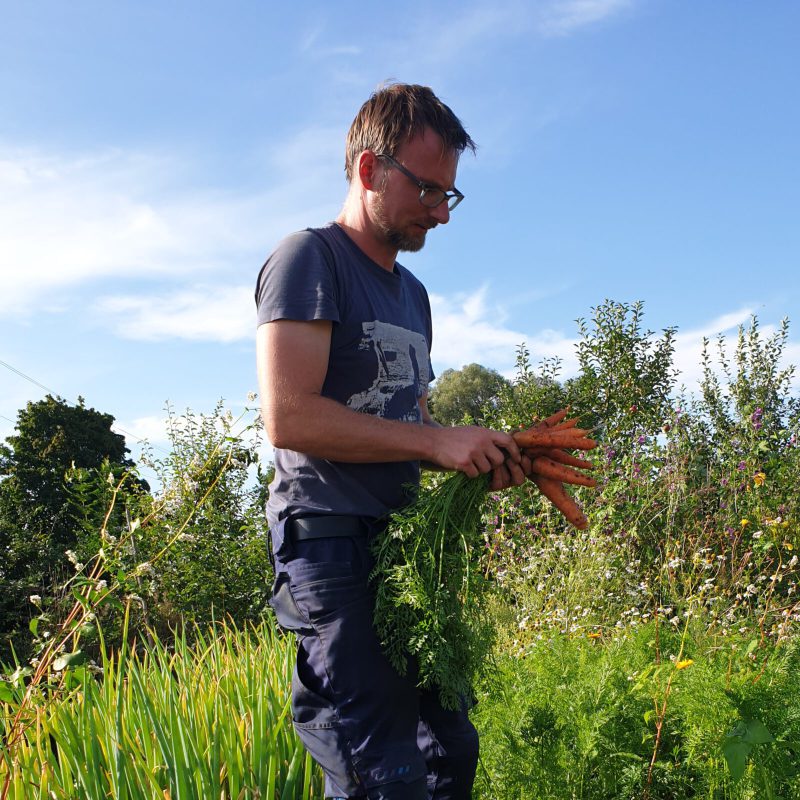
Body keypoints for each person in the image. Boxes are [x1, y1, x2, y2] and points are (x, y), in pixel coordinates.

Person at [255, 83, 526, 800]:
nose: (441, 211)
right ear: (370, 171)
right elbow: (289, 417)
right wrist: (437, 445)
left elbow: (415, 426)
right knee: (383, 770)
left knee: (451, 752)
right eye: (429, 190)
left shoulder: (414, 295)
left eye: (450, 196)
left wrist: (474, 451)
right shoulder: (309, 260)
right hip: (331, 543)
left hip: (403, 548)